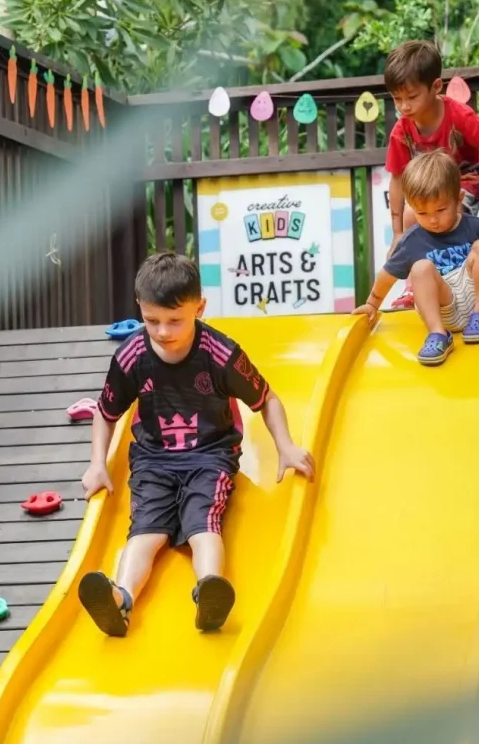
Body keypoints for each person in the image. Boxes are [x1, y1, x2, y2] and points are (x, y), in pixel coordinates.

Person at [77, 252, 315, 637]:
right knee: (145, 532)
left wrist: (286, 445)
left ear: (199, 309)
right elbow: (105, 413)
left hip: (210, 456)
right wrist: (97, 463)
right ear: (140, 308)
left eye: (175, 320)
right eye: (152, 320)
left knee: (203, 523)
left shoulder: (219, 354)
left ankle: (209, 591)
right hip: (153, 460)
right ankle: (121, 599)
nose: (162, 331)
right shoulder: (131, 356)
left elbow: (267, 399)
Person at [383, 39, 479, 310]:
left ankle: (469, 286)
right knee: (415, 219)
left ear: (436, 87)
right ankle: (416, 287)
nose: (404, 106)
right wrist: (397, 233)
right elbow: (397, 178)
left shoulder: (457, 115)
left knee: (443, 221)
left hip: (464, 182)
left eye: (411, 97)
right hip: (431, 187)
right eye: (397, 99)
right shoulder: (402, 131)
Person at [353, 150, 479, 366]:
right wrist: (371, 304)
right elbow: (387, 275)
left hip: (478, 297)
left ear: (458, 199)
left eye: (441, 210)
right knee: (420, 268)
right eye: (422, 213)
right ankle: (437, 334)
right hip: (442, 307)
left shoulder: (475, 227)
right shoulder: (412, 240)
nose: (433, 220)